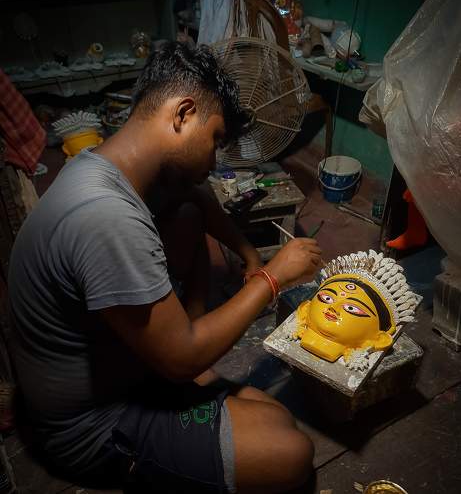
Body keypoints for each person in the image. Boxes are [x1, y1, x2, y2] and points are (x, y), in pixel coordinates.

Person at [8, 42, 322, 493]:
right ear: (183, 114)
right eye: (214, 141)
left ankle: (183, 344)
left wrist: (248, 253)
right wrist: (272, 277)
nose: (213, 161)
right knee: (292, 452)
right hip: (92, 426)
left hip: (120, 367)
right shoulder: (107, 216)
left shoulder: (101, 164)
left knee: (273, 414)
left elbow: (196, 195)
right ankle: (179, 357)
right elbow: (180, 362)